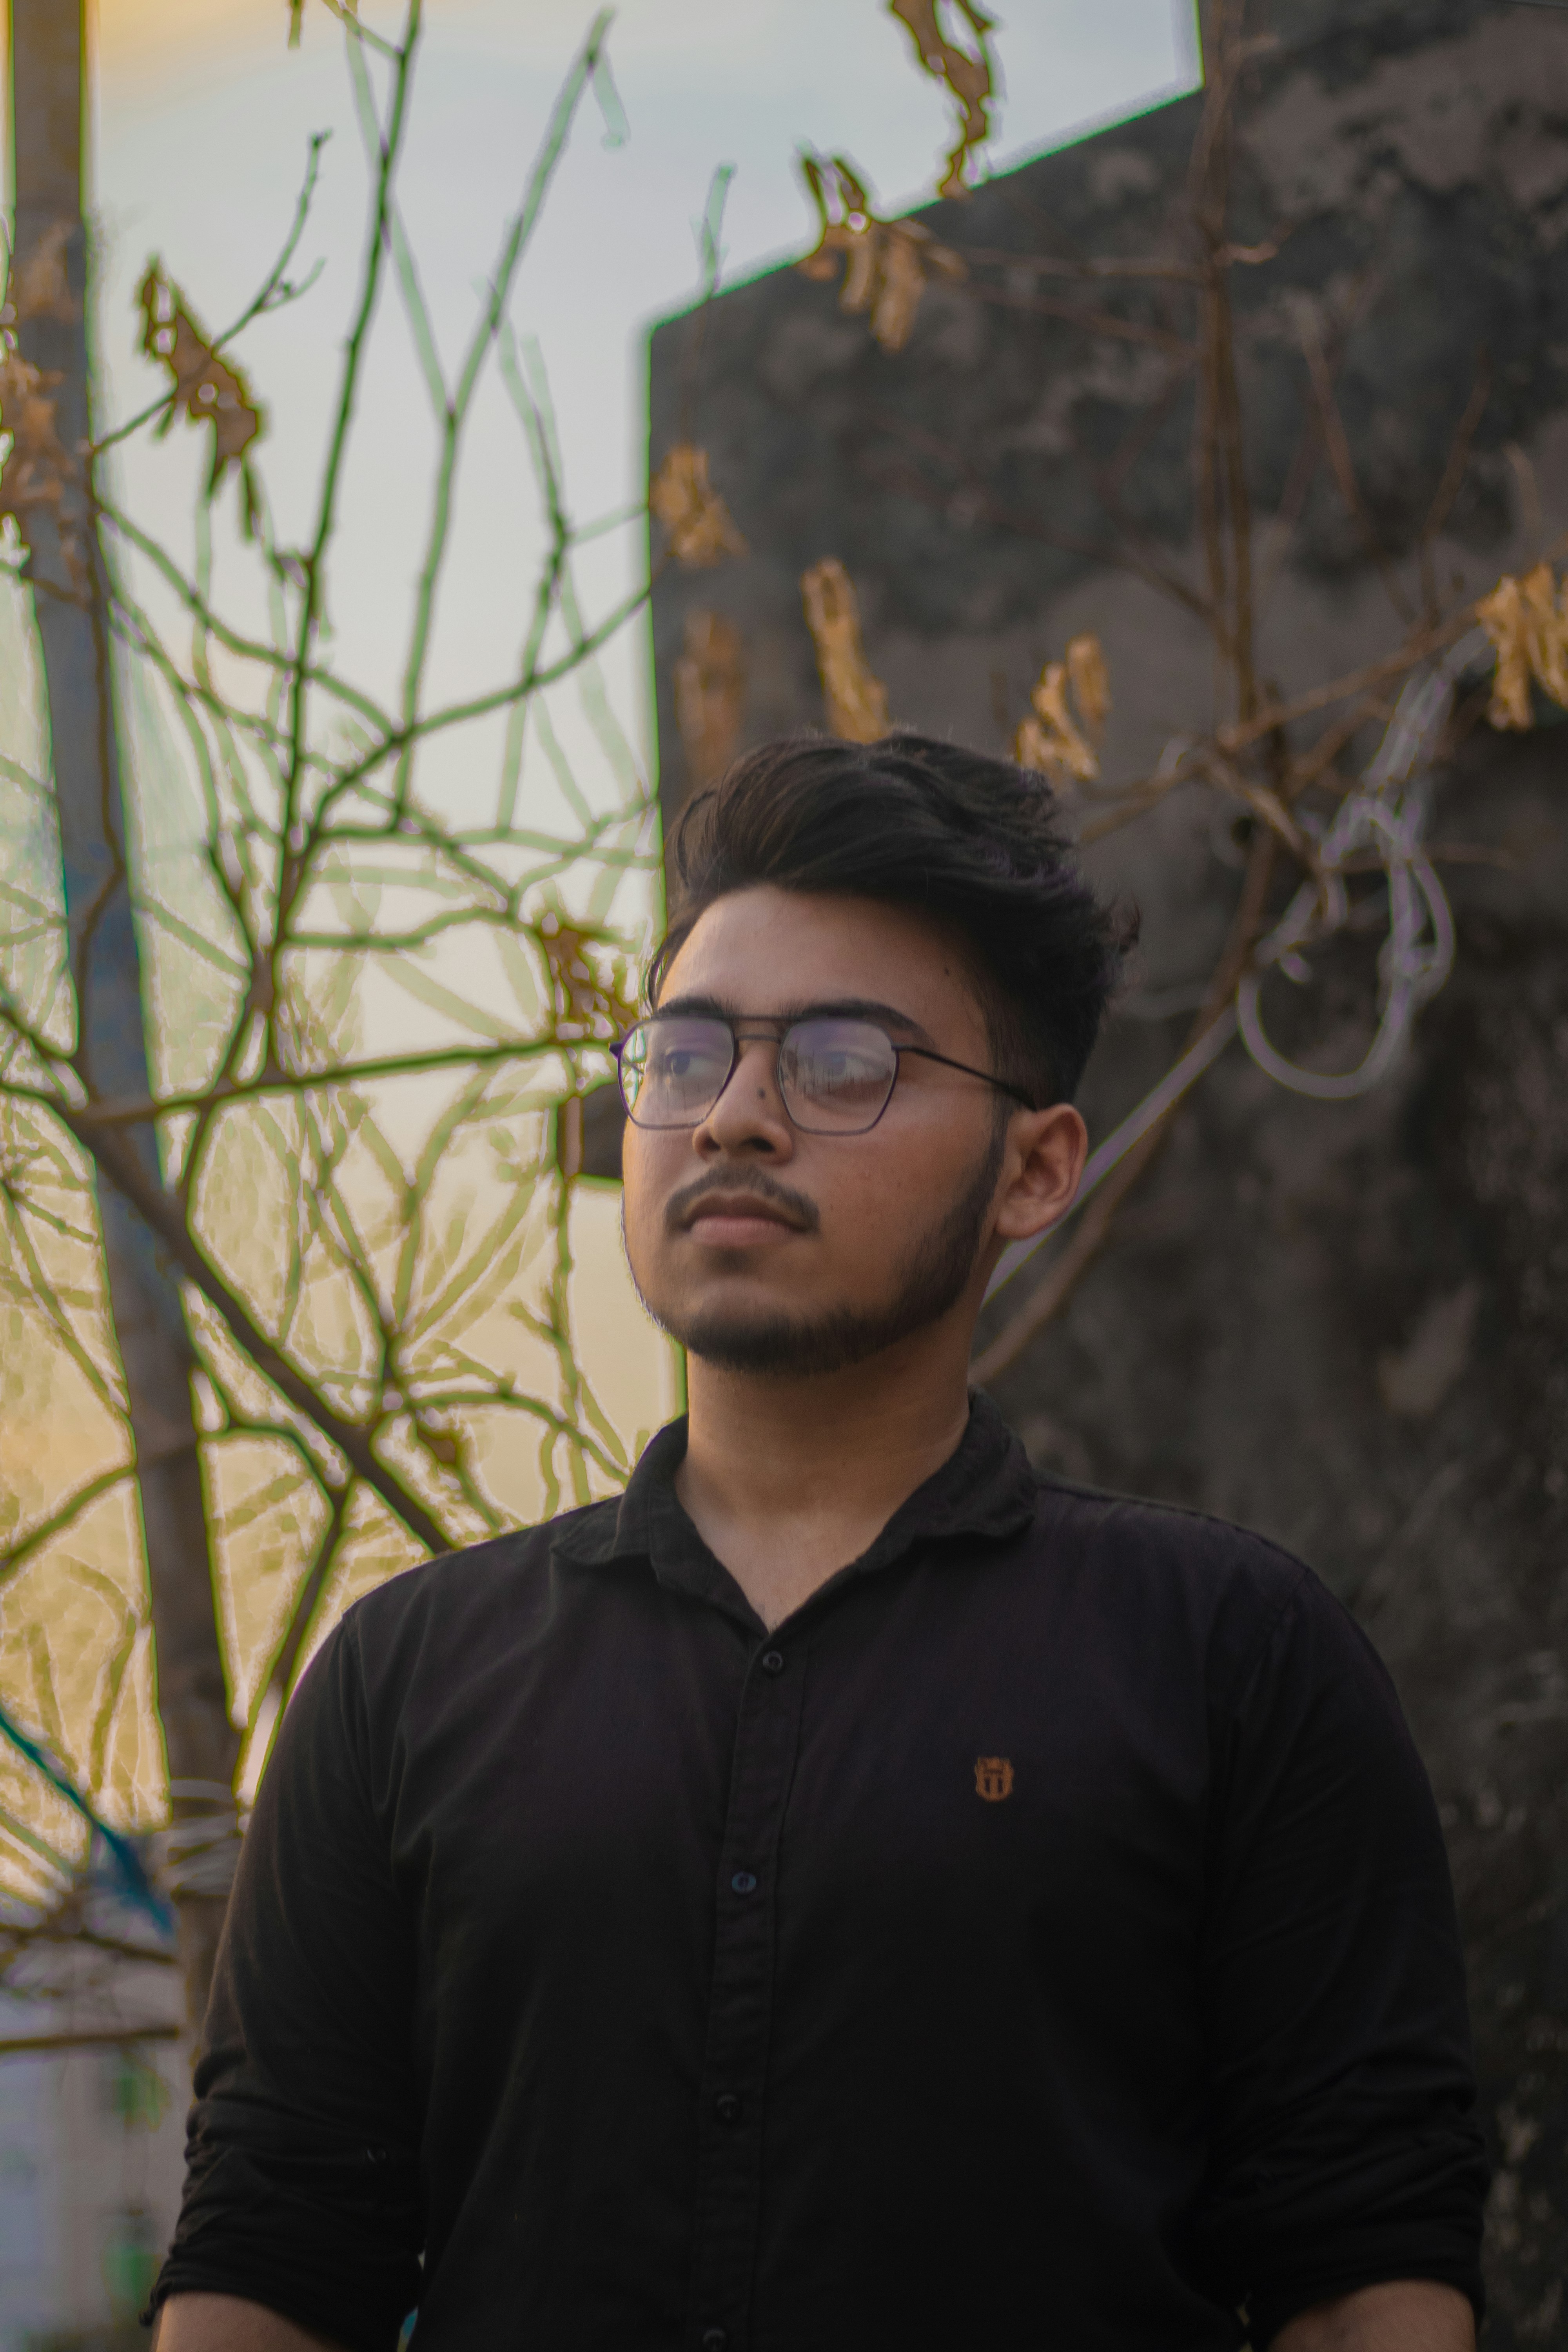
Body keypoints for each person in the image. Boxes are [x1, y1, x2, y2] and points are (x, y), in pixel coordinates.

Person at [151, 733, 1486, 2352]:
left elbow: (1361, 2271)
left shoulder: (1229, 1658)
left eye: (845, 1060)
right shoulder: (405, 1677)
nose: (736, 1119)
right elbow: (275, 2260)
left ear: (1035, 1167)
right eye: (686, 1054)